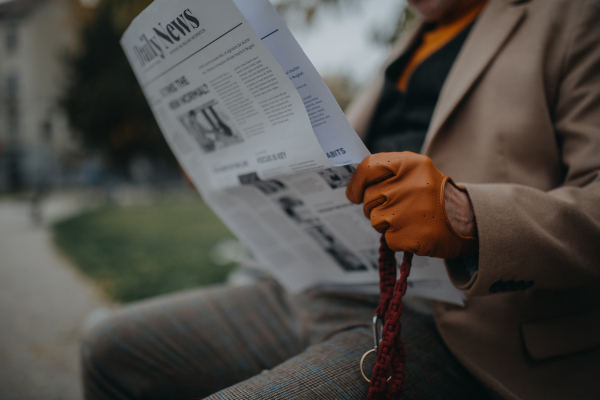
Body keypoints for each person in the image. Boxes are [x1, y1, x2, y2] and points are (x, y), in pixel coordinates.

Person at [80, 0, 600, 398]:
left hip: (459, 324)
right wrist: (224, 167)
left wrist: (469, 217)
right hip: (328, 284)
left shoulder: (571, 19)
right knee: (109, 348)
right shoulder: (401, 50)